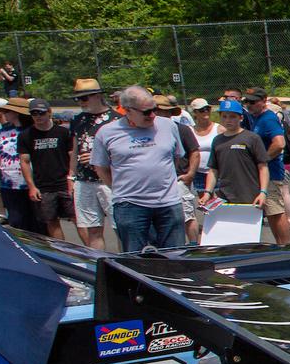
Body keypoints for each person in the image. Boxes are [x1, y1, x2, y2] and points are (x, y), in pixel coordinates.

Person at [91, 85, 185, 252]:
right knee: (136, 258)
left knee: (175, 256)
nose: (152, 115)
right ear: (127, 110)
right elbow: (101, 167)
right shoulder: (107, 133)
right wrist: (120, 188)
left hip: (168, 203)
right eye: (146, 112)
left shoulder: (168, 126)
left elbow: (177, 157)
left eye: (154, 109)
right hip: (130, 205)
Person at [68, 78, 117, 250]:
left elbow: (124, 153)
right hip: (84, 180)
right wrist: (71, 176)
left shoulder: (116, 119)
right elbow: (75, 150)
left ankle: (126, 266)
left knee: (120, 227)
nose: (81, 103)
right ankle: (100, 266)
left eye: (84, 98)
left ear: (97, 96)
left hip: (109, 181)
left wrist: (98, 157)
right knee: (93, 230)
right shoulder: (78, 120)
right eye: (78, 99)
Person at [205, 99, 269, 226]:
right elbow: (213, 170)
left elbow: (263, 167)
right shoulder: (217, 140)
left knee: (249, 239)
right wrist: (207, 192)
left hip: (249, 196)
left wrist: (263, 192)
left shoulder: (252, 138)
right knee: (228, 234)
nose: (228, 120)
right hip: (224, 196)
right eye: (224, 116)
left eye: (233, 117)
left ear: (241, 117)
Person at [17, 99, 74, 241]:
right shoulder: (25, 135)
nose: (38, 116)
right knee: (51, 221)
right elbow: (24, 161)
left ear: (49, 113)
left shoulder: (63, 132)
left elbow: (72, 156)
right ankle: (63, 253)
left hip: (64, 183)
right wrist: (31, 187)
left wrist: (72, 178)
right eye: (34, 113)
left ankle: (88, 254)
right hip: (43, 186)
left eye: (41, 113)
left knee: (77, 219)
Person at [241, 89, 290, 241]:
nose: (249, 105)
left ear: (263, 100)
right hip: (261, 173)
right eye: (247, 102)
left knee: (275, 211)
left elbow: (279, 143)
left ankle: (285, 246)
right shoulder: (254, 117)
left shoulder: (268, 118)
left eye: (253, 102)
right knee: (270, 212)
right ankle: (279, 245)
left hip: (271, 172)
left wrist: (262, 159)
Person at [155, 95, 203, 244]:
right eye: (159, 111)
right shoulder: (147, 132)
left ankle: (194, 245)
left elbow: (194, 152)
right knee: (161, 218)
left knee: (187, 215)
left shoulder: (181, 129)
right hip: (155, 183)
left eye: (167, 112)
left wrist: (190, 174)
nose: (163, 115)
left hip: (178, 179)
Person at [0, 99, 33, 232]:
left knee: (36, 223)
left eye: (6, 111)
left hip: (29, 183)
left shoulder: (31, 130)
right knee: (16, 223)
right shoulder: (2, 131)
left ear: (16, 113)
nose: (3, 113)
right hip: (9, 183)